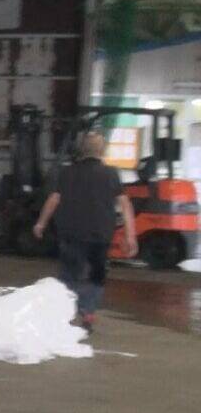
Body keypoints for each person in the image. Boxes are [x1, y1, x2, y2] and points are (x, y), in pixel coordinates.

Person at [33, 132, 137, 331]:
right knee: (96, 275)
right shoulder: (111, 173)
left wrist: (41, 223)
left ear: (81, 150)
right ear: (102, 151)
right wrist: (130, 235)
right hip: (100, 235)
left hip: (71, 233)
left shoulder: (67, 172)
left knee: (69, 275)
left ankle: (67, 314)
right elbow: (125, 205)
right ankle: (88, 312)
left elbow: (54, 199)